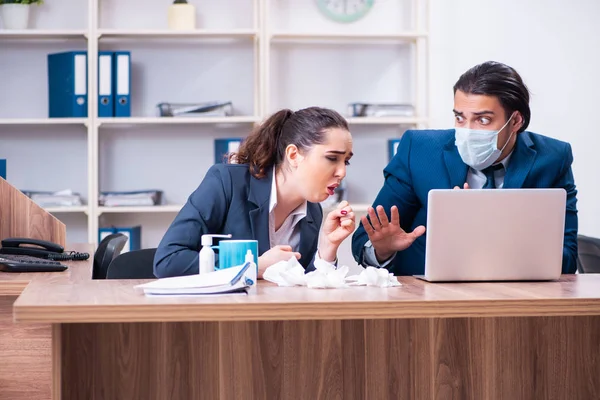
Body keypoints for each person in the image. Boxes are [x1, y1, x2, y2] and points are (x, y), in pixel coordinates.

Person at [352, 61, 578, 275]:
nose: (468, 131)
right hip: (430, 298)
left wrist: (494, 226)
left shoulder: (552, 158)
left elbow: (567, 261)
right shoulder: (419, 151)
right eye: (460, 118)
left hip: (516, 297)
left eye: (483, 120)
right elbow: (364, 240)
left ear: (516, 121)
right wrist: (383, 250)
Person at [154, 106, 356, 278]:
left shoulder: (312, 211)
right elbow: (168, 260)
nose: (342, 172)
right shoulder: (227, 183)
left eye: (346, 161)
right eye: (332, 158)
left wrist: (327, 249)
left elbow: (302, 286)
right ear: (294, 155)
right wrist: (255, 267)